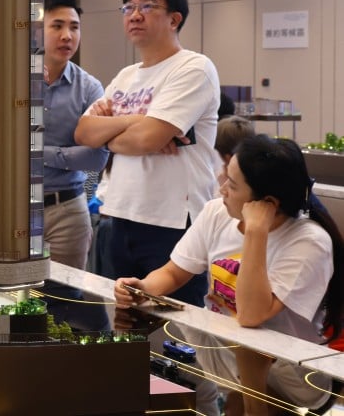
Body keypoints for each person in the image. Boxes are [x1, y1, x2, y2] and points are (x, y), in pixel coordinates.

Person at [114, 136, 344, 416]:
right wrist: (143, 286)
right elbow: (174, 272)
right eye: (225, 174)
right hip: (228, 353)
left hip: (292, 374)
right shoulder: (216, 212)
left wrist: (256, 232)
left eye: (232, 184)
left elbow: (251, 315)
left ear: (267, 203)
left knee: (240, 400)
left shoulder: (309, 241)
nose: (221, 187)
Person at [74, 0, 220, 306]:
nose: (134, 14)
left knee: (174, 326)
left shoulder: (193, 68)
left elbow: (147, 140)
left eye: (147, 6)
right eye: (128, 7)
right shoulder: (126, 75)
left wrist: (117, 130)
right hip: (119, 215)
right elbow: (84, 133)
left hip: (171, 221)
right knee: (124, 319)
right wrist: (140, 122)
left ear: (174, 19)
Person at [39, 0, 110, 329]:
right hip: (13, 209)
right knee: (12, 295)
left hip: (68, 210)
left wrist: (41, 154)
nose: (67, 36)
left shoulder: (90, 88)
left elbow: (97, 156)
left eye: (74, 27)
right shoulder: (8, 80)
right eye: (57, 26)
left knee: (66, 301)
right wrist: (69, 156)